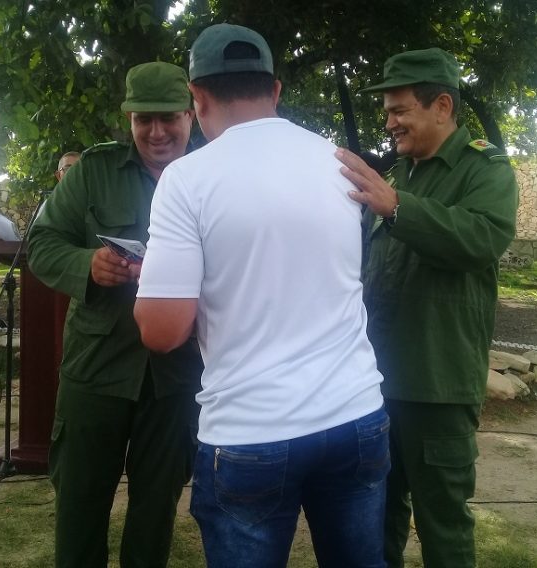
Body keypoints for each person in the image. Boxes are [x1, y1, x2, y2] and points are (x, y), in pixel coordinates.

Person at [134, 24, 389, 568]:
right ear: (274, 91)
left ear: (197, 99)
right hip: (356, 413)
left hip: (251, 430)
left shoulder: (186, 180)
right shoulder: (339, 162)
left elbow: (162, 331)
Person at [336, 48, 518, 567]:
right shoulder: (399, 176)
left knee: (444, 523)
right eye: (388, 111)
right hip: (375, 383)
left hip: (437, 385)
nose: (389, 122)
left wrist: (397, 209)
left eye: (399, 110)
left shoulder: (485, 170)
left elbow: (480, 238)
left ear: (442, 106)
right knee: (379, 513)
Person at [27, 62, 202, 568]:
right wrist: (88, 263)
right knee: (80, 502)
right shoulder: (94, 172)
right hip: (97, 368)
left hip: (174, 373)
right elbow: (43, 242)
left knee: (156, 510)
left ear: (190, 113)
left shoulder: (210, 176)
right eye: (142, 119)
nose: (156, 132)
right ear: (128, 119)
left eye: (168, 117)